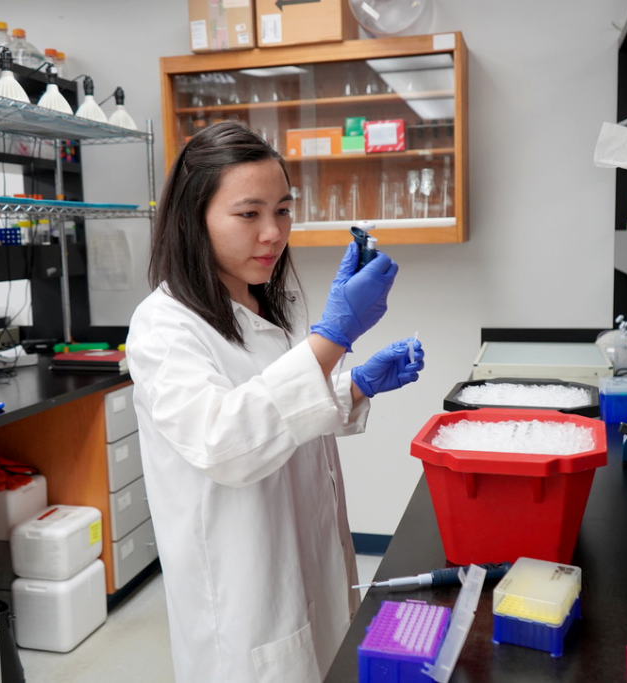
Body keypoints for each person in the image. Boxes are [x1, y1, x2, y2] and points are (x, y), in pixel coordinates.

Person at [125, 120, 425, 683]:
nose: (273, 233)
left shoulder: (266, 306)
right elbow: (226, 442)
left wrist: (353, 384)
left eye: (283, 210)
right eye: (249, 213)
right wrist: (331, 339)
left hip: (304, 562)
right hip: (244, 600)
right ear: (195, 219)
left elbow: (275, 413)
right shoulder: (163, 326)